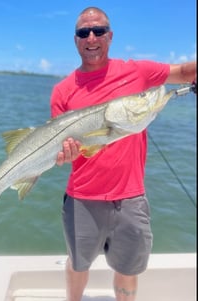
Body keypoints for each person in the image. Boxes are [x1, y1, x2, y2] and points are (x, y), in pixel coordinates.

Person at [50, 7, 196, 301]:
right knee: (78, 263)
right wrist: (63, 153)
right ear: (76, 39)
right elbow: (60, 153)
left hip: (131, 198)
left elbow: (184, 73)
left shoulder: (137, 72)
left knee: (128, 268)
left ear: (110, 36)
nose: (91, 37)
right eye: (83, 32)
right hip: (81, 197)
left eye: (99, 31)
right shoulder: (62, 91)